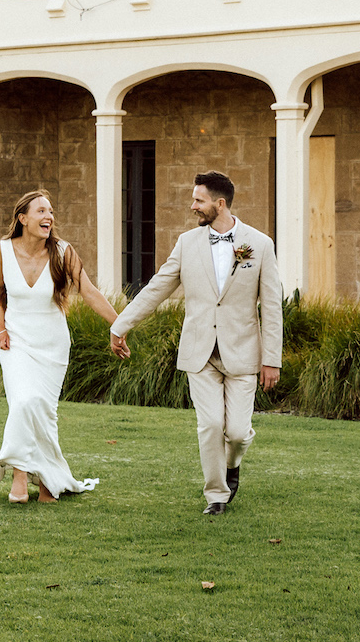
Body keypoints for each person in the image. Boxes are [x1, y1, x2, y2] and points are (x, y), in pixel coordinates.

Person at [109, 170, 282, 515]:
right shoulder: (187, 244)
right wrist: (120, 324)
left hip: (243, 352)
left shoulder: (259, 245)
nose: (193, 206)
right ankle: (216, 496)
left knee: (235, 432)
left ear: (220, 204)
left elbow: (273, 305)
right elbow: (158, 287)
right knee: (211, 425)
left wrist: (272, 359)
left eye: (198, 200)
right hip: (199, 352)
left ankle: (232, 465)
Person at [0, 190, 119, 503]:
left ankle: (48, 481)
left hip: (53, 345)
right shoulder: (3, 250)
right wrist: (0, 329)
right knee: (22, 403)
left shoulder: (63, 252)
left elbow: (88, 292)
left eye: (51, 212)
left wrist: (120, 325)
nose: (48, 217)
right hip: (16, 342)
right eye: (41, 211)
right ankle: (20, 476)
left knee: (44, 412)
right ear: (23, 218)